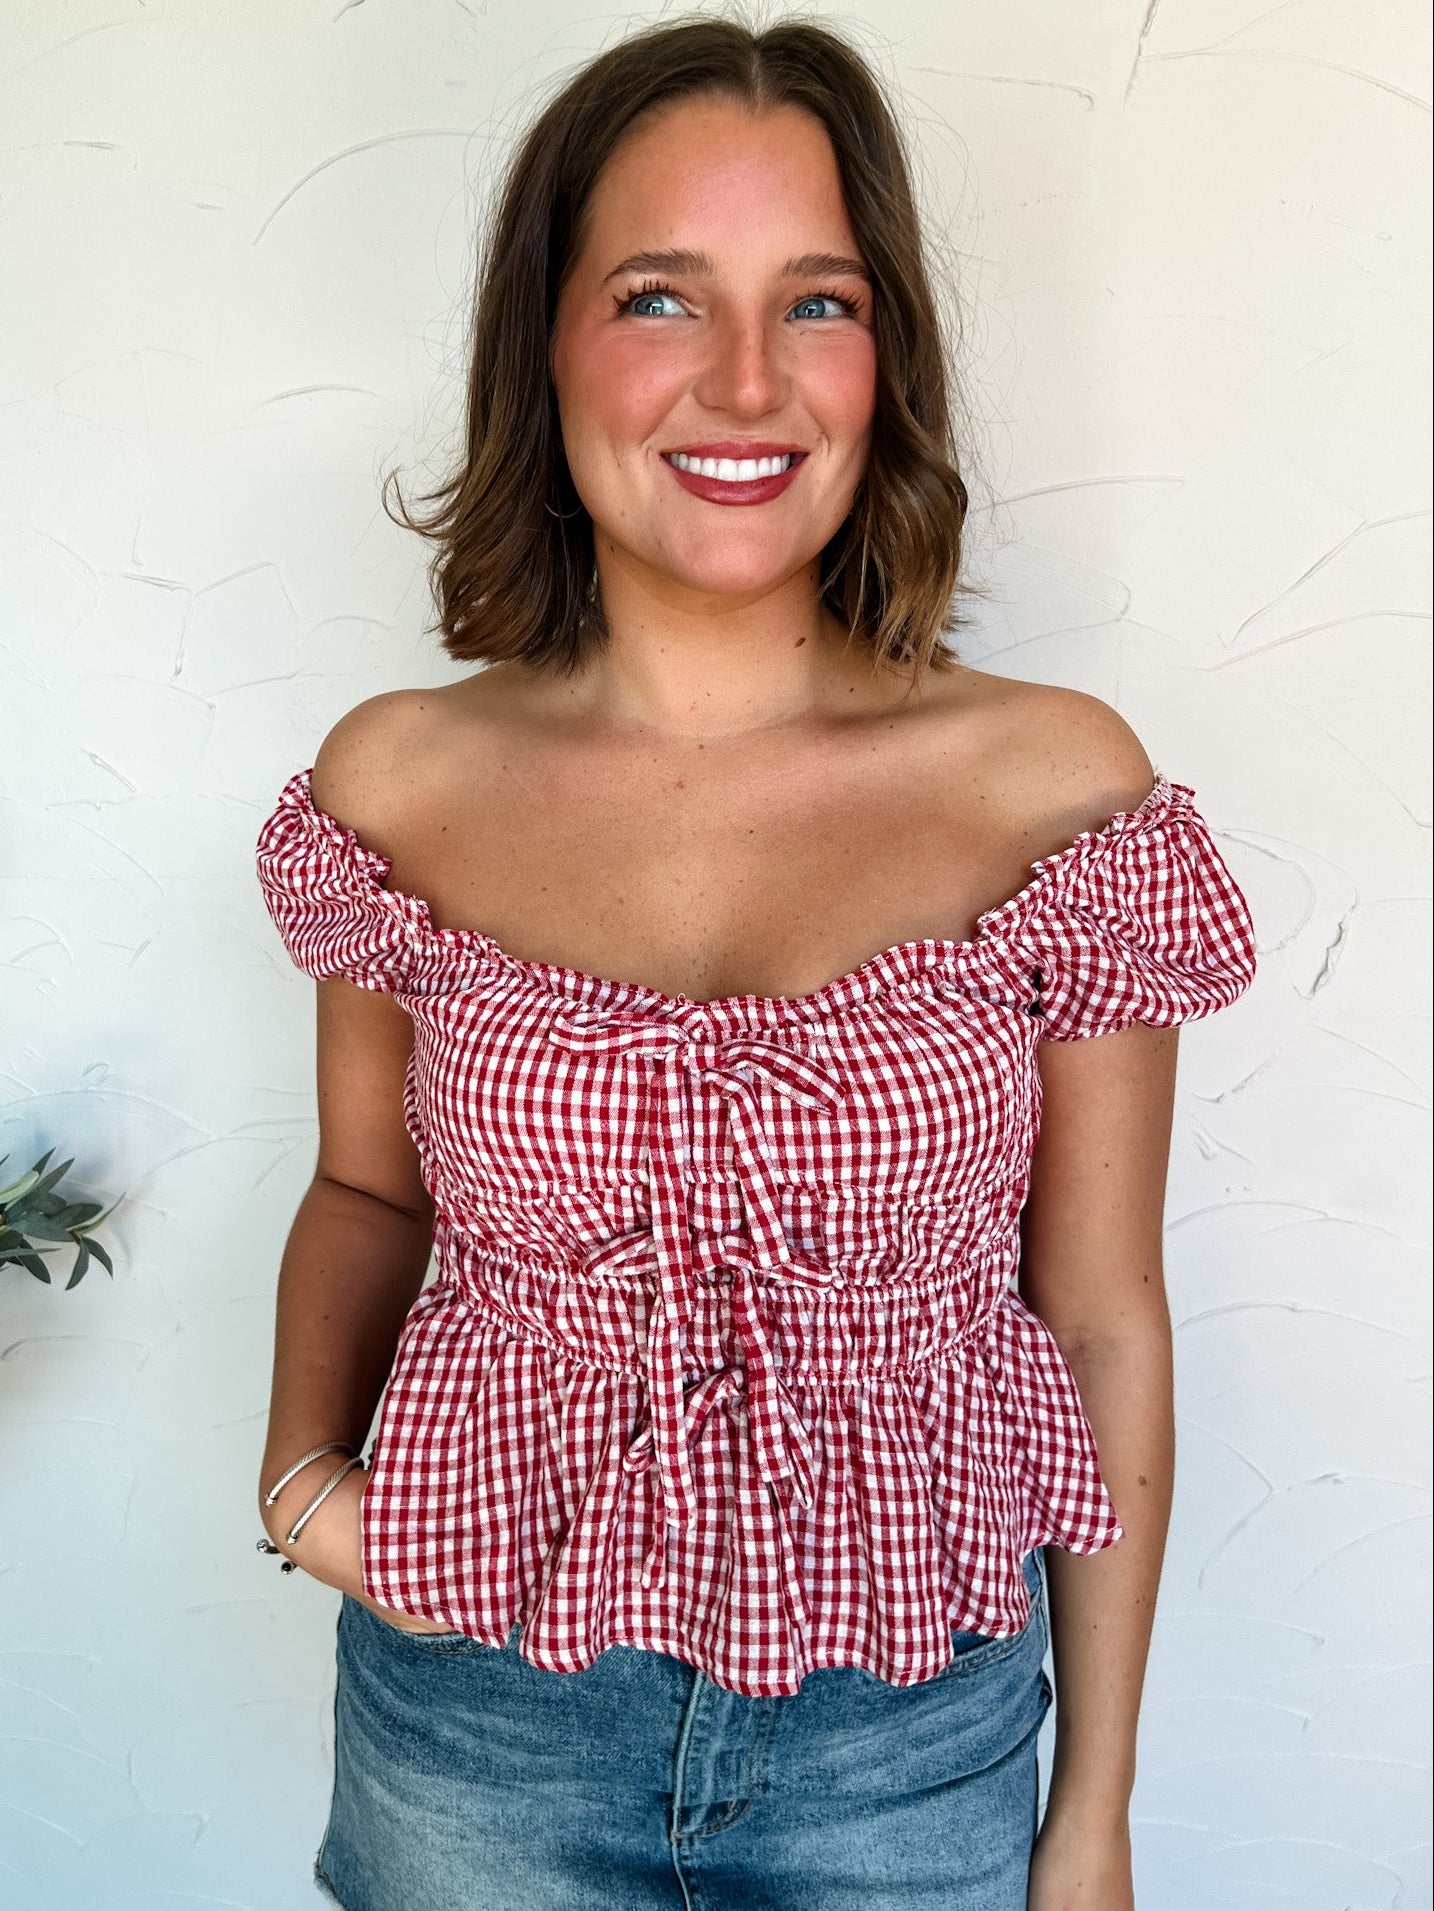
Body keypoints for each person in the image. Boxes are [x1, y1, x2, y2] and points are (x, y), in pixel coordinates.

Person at [252, 16, 1257, 1910]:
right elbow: (365, 1187)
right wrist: (309, 1488)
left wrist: (1094, 1810)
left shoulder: (1056, 792)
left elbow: (1102, 1313)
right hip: (475, 1732)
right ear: (541, 343)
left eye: (816, 301)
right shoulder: (403, 779)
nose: (743, 382)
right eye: (656, 296)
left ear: (884, 363)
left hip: (914, 1746)